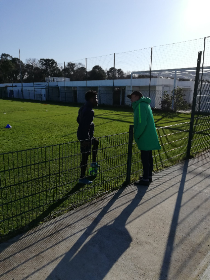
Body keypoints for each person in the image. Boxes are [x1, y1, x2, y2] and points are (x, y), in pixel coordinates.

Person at [127, 91, 161, 186]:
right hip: (149, 136)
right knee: (149, 158)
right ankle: (148, 176)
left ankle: (145, 179)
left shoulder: (140, 106)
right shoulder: (145, 104)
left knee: (145, 158)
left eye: (132, 97)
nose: (131, 99)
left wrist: (136, 135)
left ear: (137, 97)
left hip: (144, 137)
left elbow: (142, 123)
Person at [77, 90, 100, 184]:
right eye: (95, 98)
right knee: (85, 156)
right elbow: (85, 126)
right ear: (91, 99)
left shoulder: (82, 108)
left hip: (84, 135)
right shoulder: (90, 111)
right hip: (85, 137)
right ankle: (82, 178)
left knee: (96, 142)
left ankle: (94, 164)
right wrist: (86, 139)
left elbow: (78, 120)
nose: (97, 100)